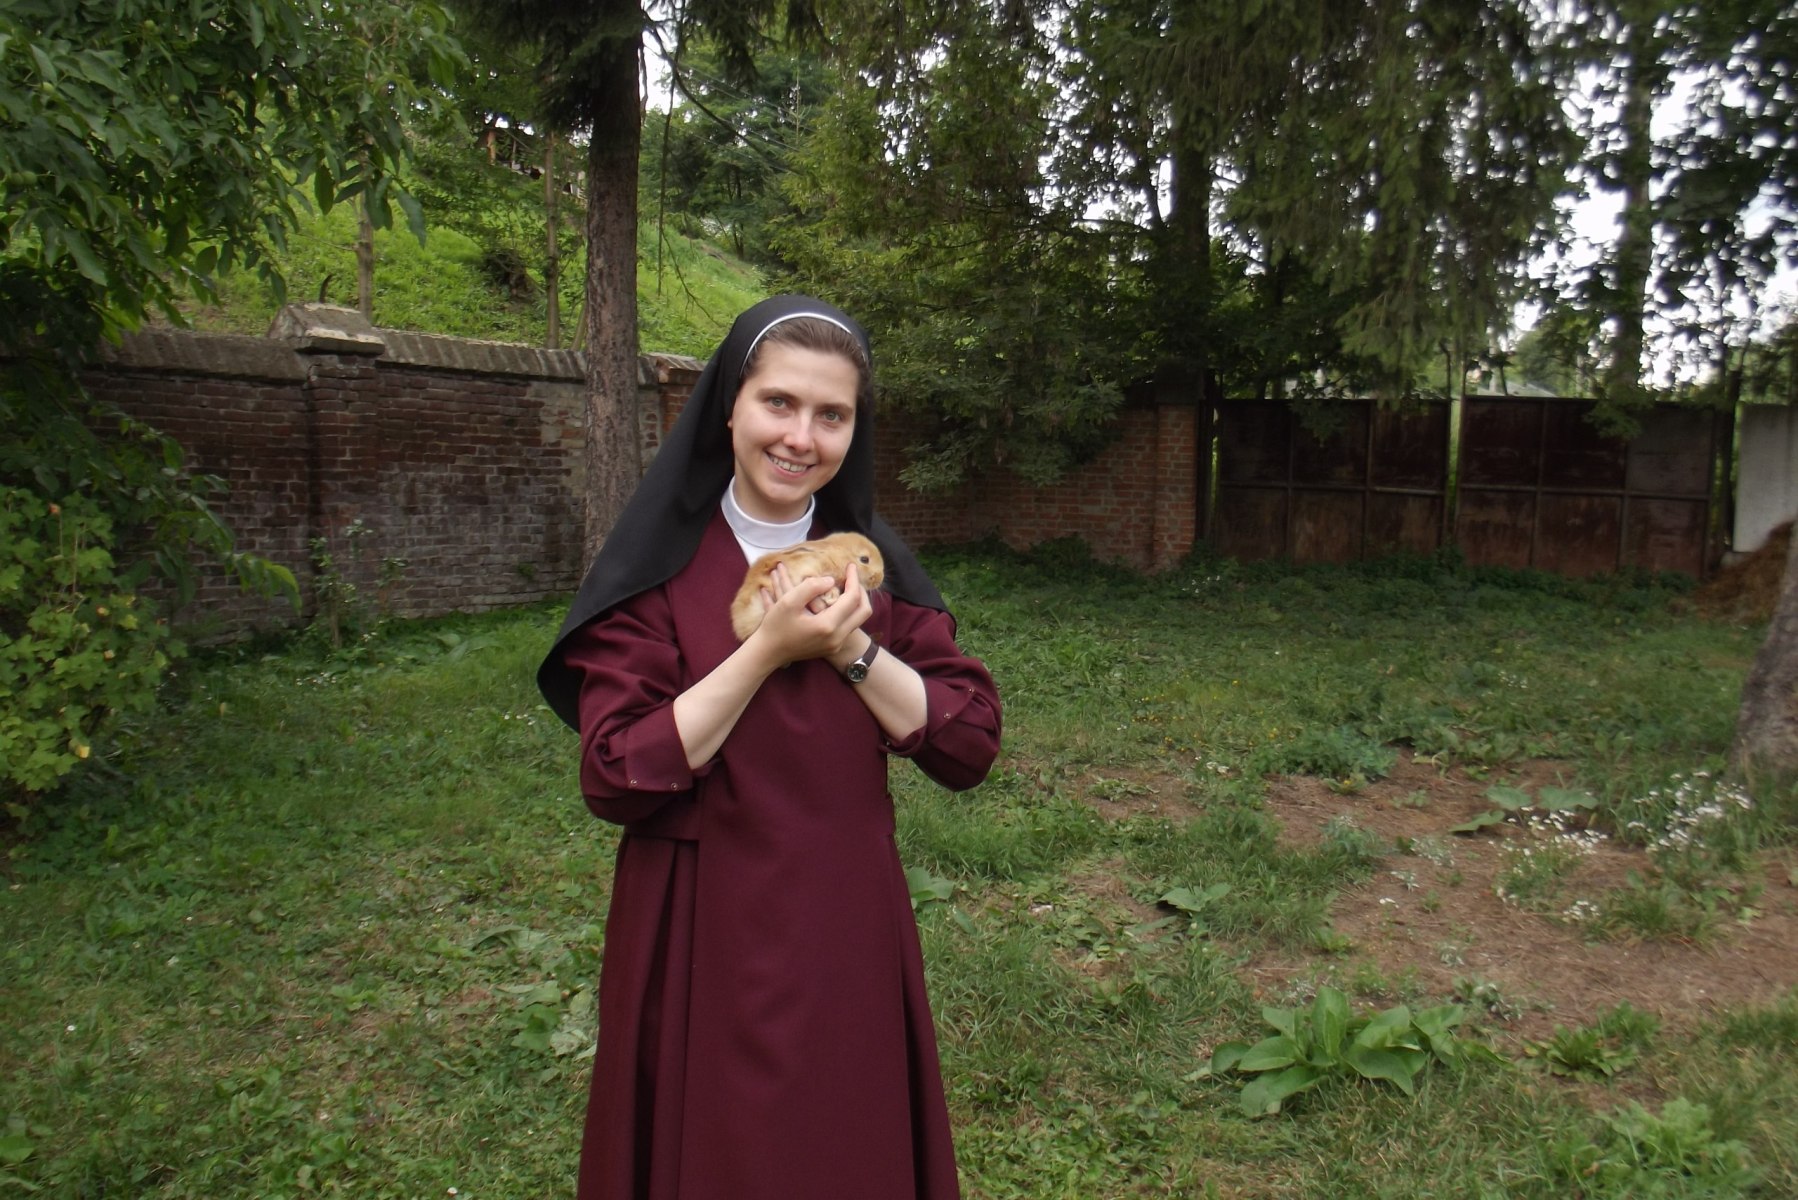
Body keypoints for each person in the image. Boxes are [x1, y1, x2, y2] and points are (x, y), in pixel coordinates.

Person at [537, 295, 1003, 1200]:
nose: (800, 437)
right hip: (699, 914)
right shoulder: (660, 566)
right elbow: (616, 772)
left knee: (842, 1144)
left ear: (854, 431)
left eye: (832, 415)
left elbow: (969, 745)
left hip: (844, 913)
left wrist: (851, 648)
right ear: (729, 406)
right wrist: (768, 650)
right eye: (778, 402)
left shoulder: (870, 567)